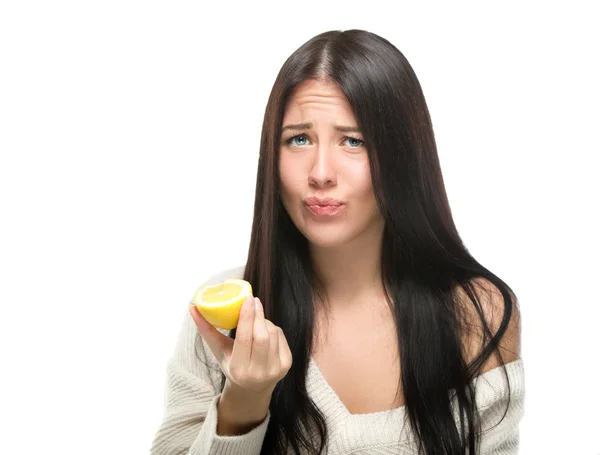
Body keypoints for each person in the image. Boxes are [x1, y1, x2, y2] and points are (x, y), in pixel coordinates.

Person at [150, 29, 524, 455]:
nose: (321, 172)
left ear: (403, 156)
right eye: (299, 139)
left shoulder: (479, 314)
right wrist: (243, 403)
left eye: (353, 141)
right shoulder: (229, 312)